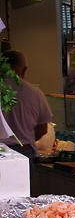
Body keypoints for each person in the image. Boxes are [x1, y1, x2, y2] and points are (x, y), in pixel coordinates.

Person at [0, 50, 52, 182]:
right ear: (24, 69)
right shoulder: (35, 93)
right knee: (20, 197)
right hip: (23, 151)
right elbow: (42, 129)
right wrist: (22, 140)